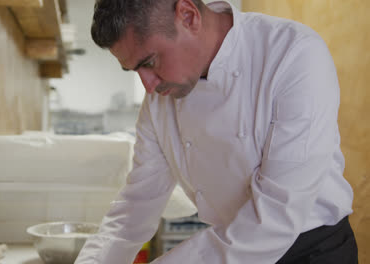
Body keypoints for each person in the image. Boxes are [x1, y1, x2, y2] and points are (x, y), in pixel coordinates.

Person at [75, 0, 358, 263]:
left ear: (188, 16)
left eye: (149, 62)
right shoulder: (159, 101)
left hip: (312, 251)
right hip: (229, 247)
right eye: (134, 70)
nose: (148, 86)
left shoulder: (293, 54)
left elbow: (278, 213)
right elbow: (136, 205)